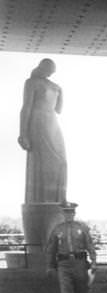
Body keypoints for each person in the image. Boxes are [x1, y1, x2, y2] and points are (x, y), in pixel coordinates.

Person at [18, 58, 67, 204]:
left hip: (52, 124)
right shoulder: (31, 82)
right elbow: (26, 107)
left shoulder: (56, 87)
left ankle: (57, 198)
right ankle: (40, 198)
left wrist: (60, 93)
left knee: (61, 161)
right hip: (38, 124)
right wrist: (23, 133)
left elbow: (59, 110)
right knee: (41, 161)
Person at [45, 200, 95, 293]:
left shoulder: (81, 227)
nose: (68, 215)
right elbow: (51, 248)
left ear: (74, 213)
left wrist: (94, 261)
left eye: (71, 212)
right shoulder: (57, 229)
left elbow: (89, 245)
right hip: (63, 264)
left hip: (80, 263)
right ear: (63, 214)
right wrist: (50, 266)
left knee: (82, 291)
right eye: (66, 212)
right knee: (65, 292)